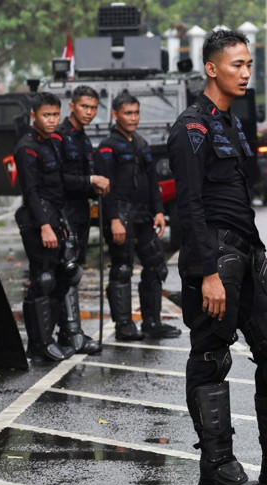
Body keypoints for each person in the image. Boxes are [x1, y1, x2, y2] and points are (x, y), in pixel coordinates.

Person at [167, 29, 267, 485]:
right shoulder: (190, 128)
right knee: (211, 360)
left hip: (248, 253)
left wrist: (255, 251)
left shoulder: (233, 123)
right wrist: (207, 272)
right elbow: (190, 206)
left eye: (249, 64)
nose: (245, 72)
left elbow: (243, 193)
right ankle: (216, 468)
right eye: (236, 64)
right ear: (211, 68)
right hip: (214, 257)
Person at [96, 93, 181, 341]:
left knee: (155, 266)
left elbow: (153, 182)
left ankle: (152, 322)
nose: (133, 118)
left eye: (136, 113)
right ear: (115, 115)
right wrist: (113, 220)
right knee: (122, 269)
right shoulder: (107, 147)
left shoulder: (142, 144)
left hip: (144, 215)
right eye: (127, 113)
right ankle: (124, 325)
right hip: (120, 216)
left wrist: (159, 211)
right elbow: (105, 189)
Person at [13, 92, 77, 363]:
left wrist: (59, 223)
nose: (52, 120)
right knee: (42, 280)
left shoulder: (51, 143)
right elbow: (31, 191)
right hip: (36, 221)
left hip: (54, 217)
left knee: (59, 278)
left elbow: (57, 186)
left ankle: (46, 340)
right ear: (34, 116)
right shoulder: (26, 147)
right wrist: (44, 226)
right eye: (46, 115)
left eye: (55, 114)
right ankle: (39, 344)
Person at [54, 85, 110, 354]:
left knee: (73, 273)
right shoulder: (60, 136)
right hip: (63, 214)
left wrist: (93, 186)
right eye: (84, 107)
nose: (89, 112)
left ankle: (70, 332)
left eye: (93, 107)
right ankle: (69, 334)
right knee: (65, 273)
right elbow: (59, 181)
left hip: (81, 213)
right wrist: (90, 180)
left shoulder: (83, 138)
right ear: (72, 106)